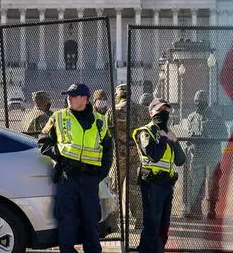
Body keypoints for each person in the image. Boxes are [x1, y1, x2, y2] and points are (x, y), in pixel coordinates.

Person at [37, 83, 113, 253]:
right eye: (68, 95)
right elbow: (43, 141)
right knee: (66, 220)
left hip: (90, 179)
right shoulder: (58, 117)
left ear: (84, 99)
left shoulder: (100, 121)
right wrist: (60, 155)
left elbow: (108, 150)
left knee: (90, 220)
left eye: (73, 95)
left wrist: (101, 174)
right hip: (67, 177)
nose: (68, 98)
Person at [133, 98, 186, 253]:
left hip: (166, 186)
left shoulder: (169, 135)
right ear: (151, 113)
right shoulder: (145, 132)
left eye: (166, 110)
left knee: (164, 226)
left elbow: (181, 160)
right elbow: (154, 155)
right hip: (151, 185)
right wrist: (163, 138)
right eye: (159, 110)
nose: (163, 113)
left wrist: (174, 142)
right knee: (152, 225)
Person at [107, 84, 149, 230]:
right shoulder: (143, 110)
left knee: (114, 189)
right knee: (135, 187)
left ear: (118, 95)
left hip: (119, 156)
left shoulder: (112, 111)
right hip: (137, 154)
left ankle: (113, 222)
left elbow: (108, 133)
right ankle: (140, 220)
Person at [184, 90, 226, 219]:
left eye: (200, 102)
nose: (197, 105)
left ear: (205, 102)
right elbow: (190, 134)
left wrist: (210, 135)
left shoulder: (216, 116)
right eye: (196, 102)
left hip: (212, 153)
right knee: (196, 181)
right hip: (197, 153)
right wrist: (190, 141)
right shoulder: (191, 117)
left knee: (213, 181)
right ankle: (196, 209)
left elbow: (224, 134)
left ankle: (211, 209)